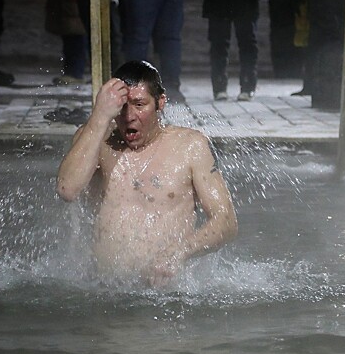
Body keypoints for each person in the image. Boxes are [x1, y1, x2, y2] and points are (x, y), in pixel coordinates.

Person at [56, 60, 238, 287]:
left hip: (165, 297)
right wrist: (99, 117)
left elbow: (226, 220)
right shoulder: (96, 139)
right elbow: (67, 189)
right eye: (122, 107)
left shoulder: (190, 146)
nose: (129, 116)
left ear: (160, 102)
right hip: (103, 292)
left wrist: (180, 251)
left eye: (140, 105)